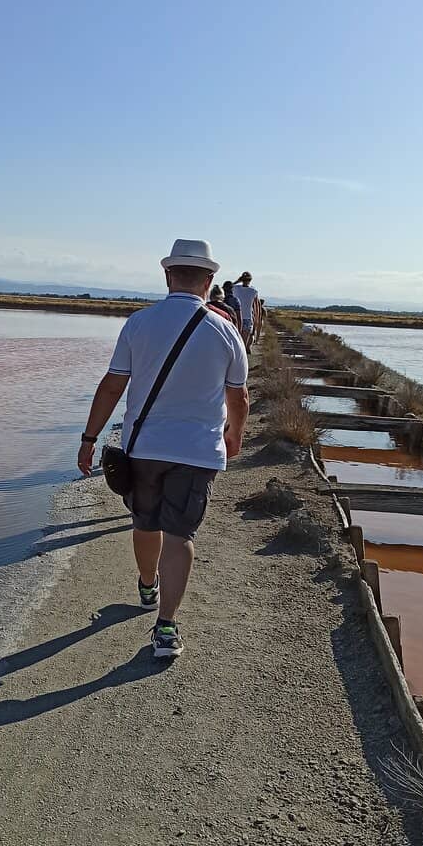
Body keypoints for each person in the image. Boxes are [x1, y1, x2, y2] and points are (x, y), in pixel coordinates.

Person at [78, 240, 250, 660]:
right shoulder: (225, 330)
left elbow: (113, 384)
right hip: (198, 451)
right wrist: (235, 436)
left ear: (168, 276)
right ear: (208, 282)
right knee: (180, 535)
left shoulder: (139, 323)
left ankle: (146, 584)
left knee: (145, 522)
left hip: (145, 446)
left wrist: (89, 438)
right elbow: (239, 396)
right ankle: (167, 628)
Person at [231, 271, 260, 353]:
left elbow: (226, 288)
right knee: (243, 345)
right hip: (247, 318)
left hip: (236, 317)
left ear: (241, 279)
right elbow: (256, 309)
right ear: (250, 280)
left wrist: (237, 281)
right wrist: (256, 322)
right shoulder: (253, 291)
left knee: (235, 342)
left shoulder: (235, 288)